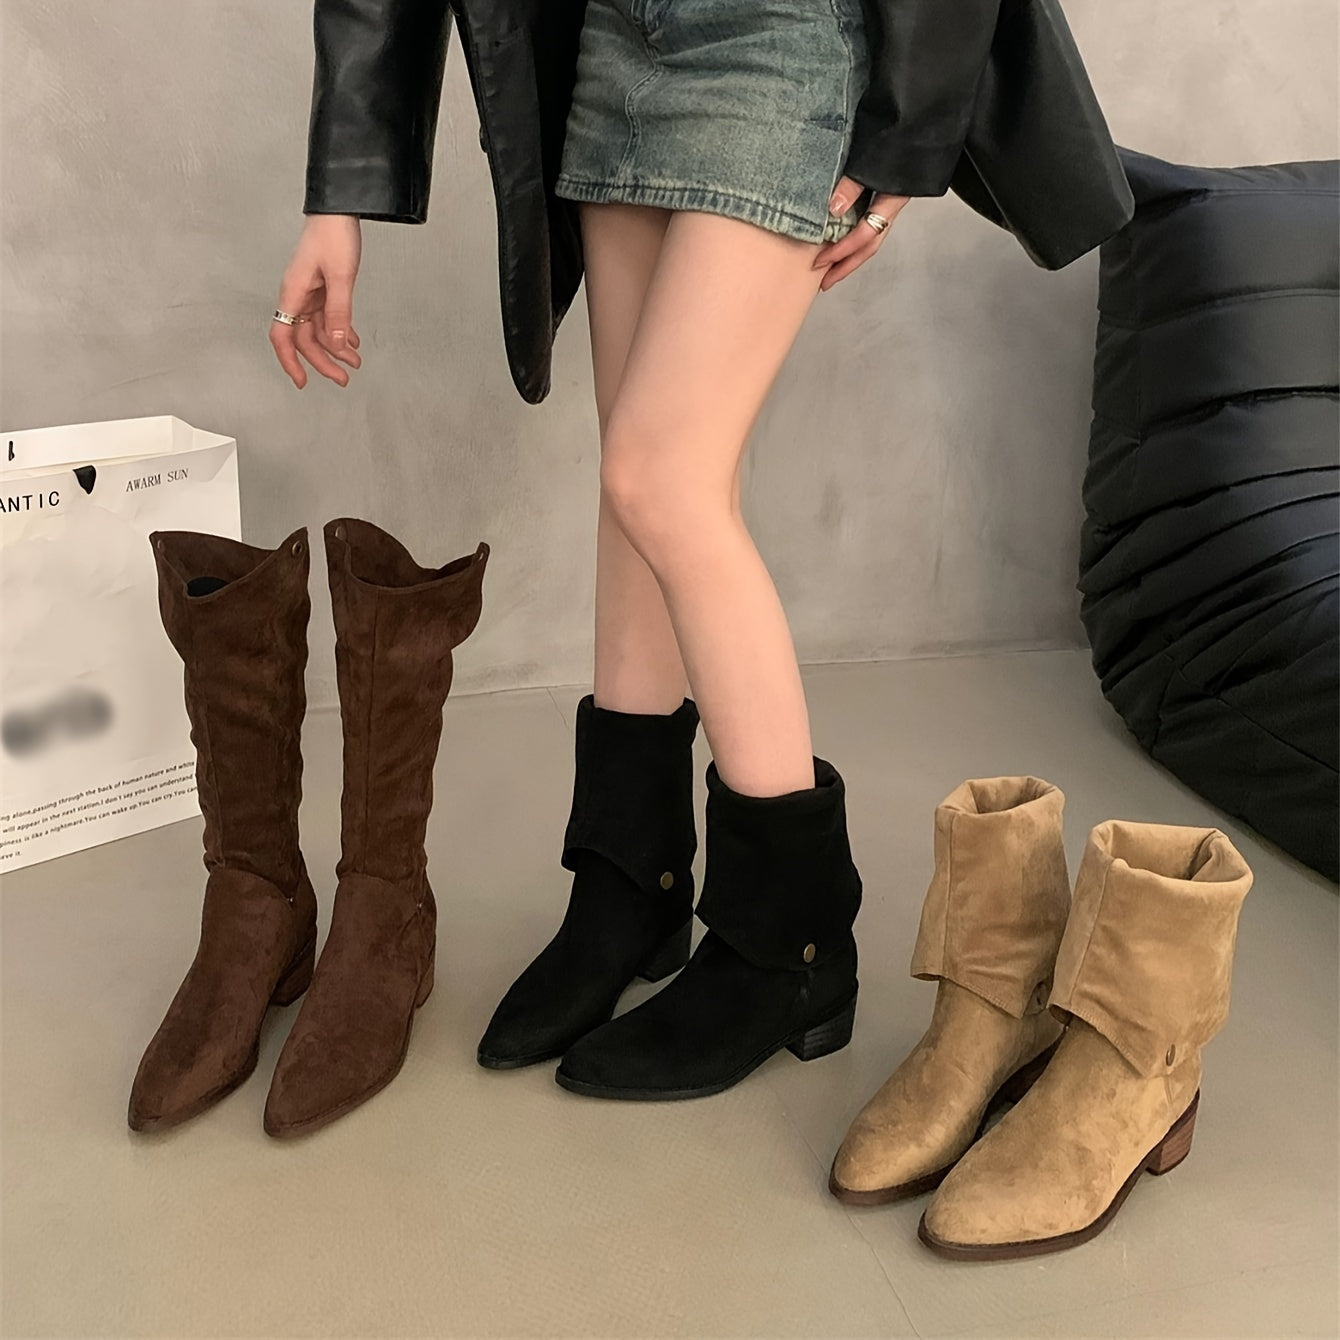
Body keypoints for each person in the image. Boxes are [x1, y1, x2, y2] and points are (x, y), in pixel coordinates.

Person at [264, 0, 1106, 1103]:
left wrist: (911, 125)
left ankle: (793, 939)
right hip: (613, 38)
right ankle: (631, 883)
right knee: (636, 486)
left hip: (778, 40)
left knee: (660, 481)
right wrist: (339, 194)